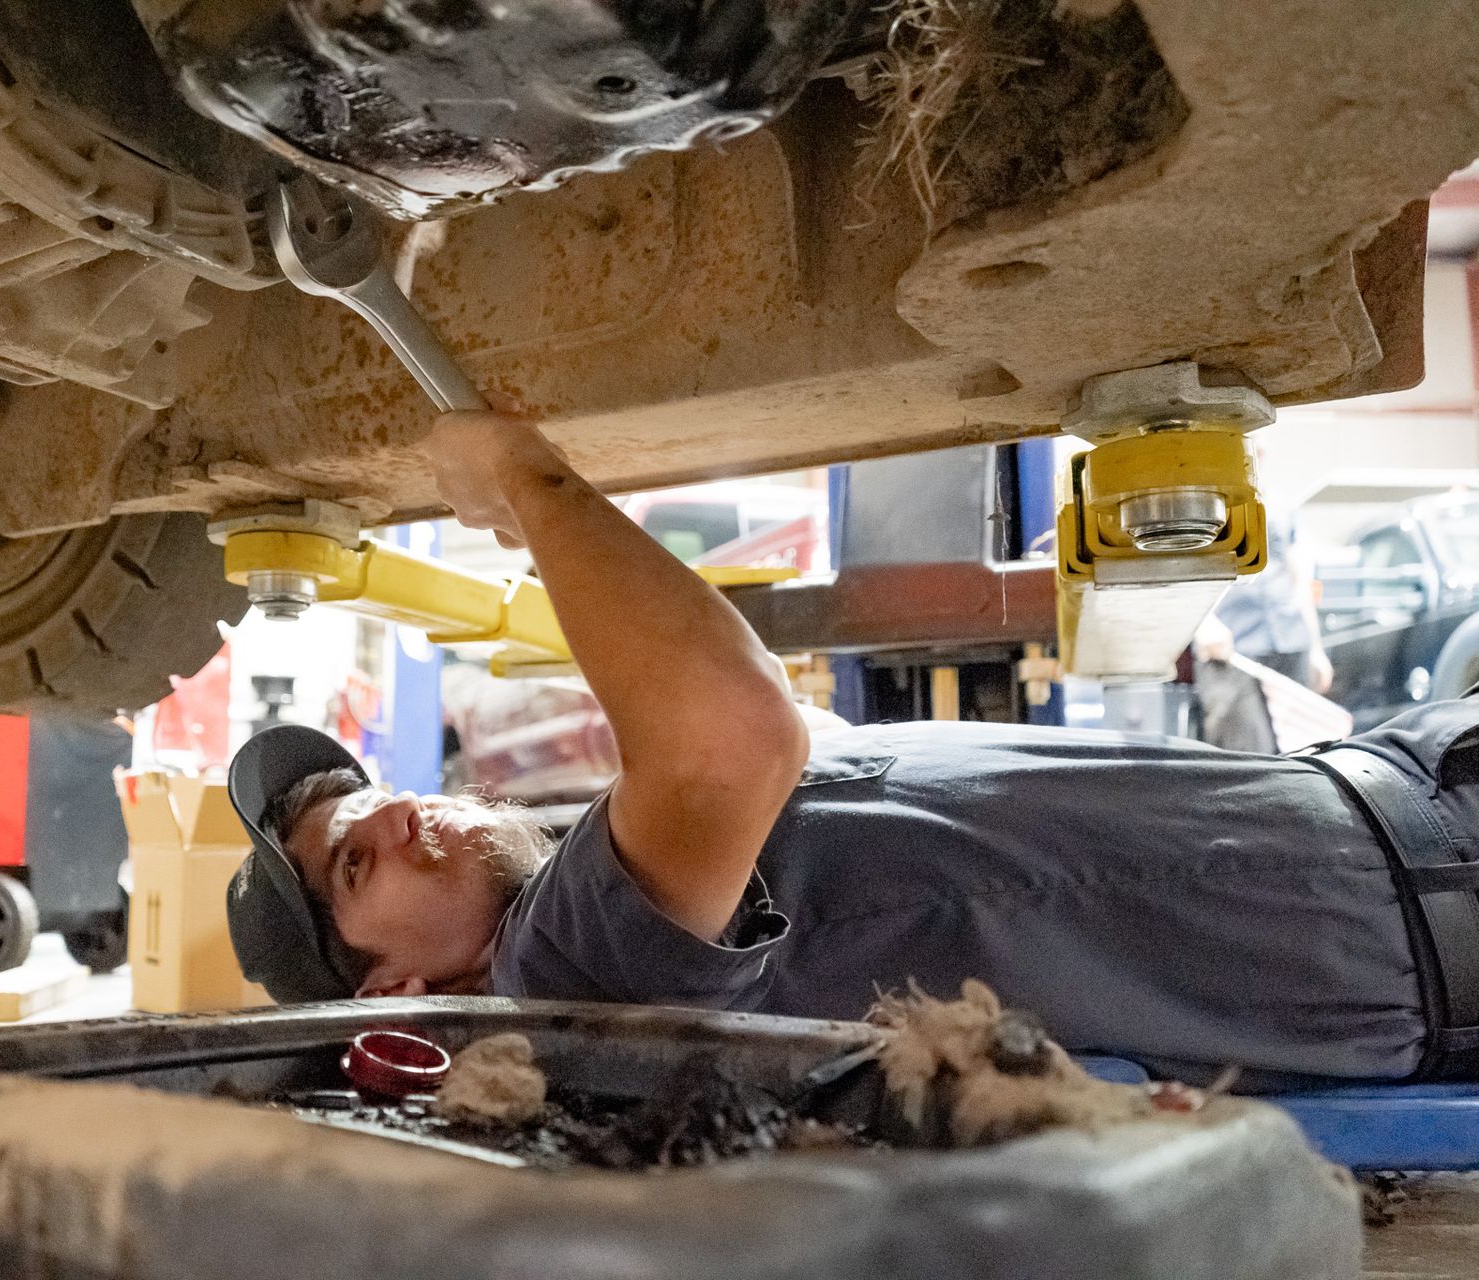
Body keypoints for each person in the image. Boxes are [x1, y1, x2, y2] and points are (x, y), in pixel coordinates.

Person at [225, 410, 1479, 1089]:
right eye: (353, 869)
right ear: (390, 990)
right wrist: (521, 475)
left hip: (1408, 805)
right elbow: (729, 731)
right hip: (1420, 906)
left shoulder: (603, 874)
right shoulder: (572, 961)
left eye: (370, 800)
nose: (391, 819)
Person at [1191, 513, 1334, 752]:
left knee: (1303, 751)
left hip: (1290, 642)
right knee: (1246, 755)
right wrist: (1202, 622)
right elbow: (1176, 563)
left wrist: (1315, 647)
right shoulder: (1201, 497)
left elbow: (1299, 577)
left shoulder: (1279, 505)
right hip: (1230, 653)